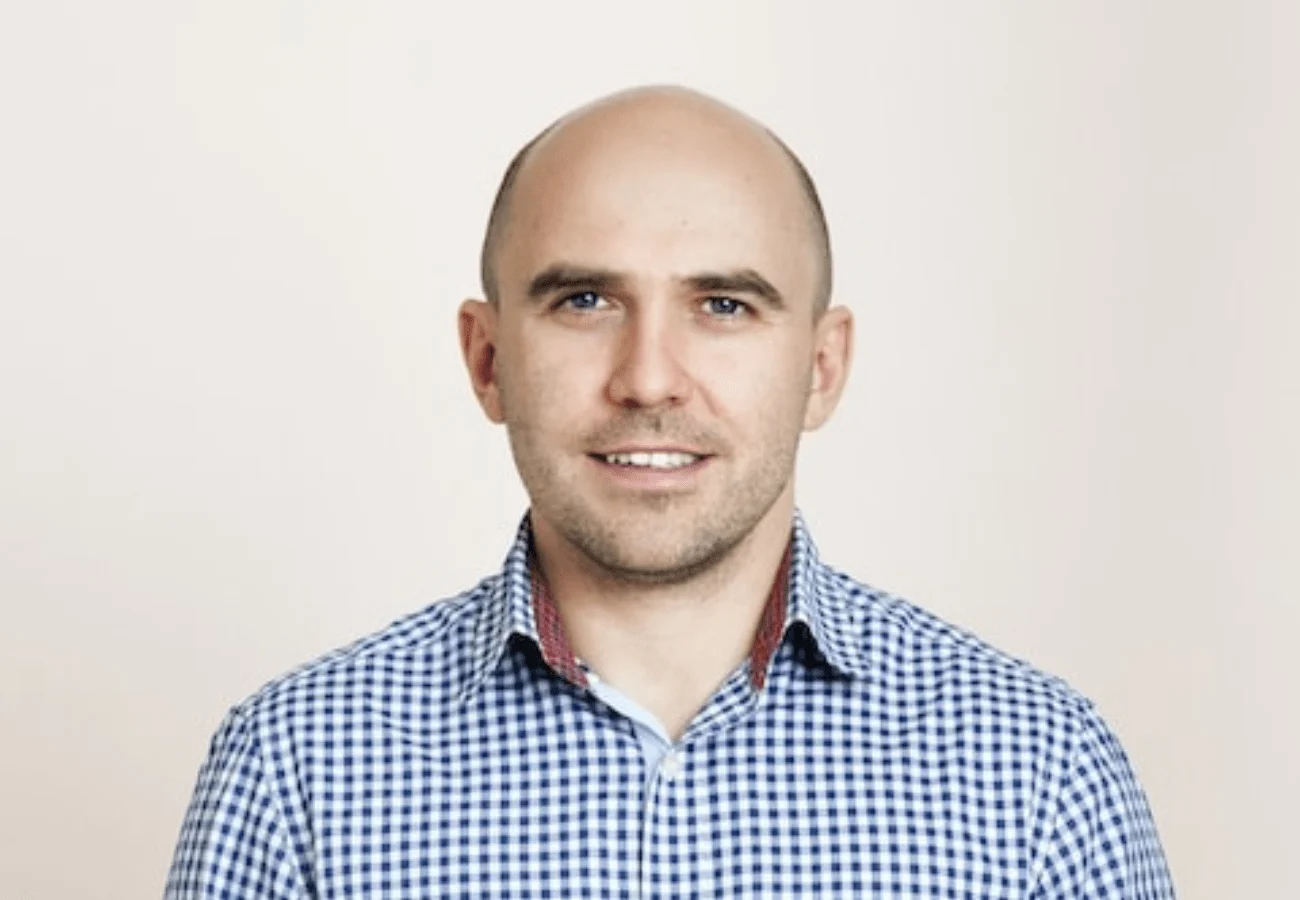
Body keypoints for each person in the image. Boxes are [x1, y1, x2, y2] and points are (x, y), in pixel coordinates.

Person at [166, 86, 1175, 899]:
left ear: (821, 368)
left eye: (723, 305)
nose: (649, 379)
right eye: (585, 300)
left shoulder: (1040, 776)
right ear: (487, 359)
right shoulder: (294, 771)